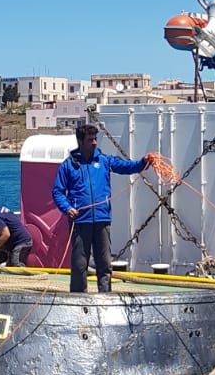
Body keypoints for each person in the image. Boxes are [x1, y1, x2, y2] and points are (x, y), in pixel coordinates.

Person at [52, 122, 155, 293]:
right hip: (80, 221)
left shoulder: (104, 160)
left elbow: (127, 167)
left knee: (104, 262)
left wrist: (144, 162)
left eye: (95, 139)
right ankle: (78, 296)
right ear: (80, 141)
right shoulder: (68, 165)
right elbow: (58, 192)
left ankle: (105, 294)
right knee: (80, 263)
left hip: (102, 219)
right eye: (90, 140)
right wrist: (67, 208)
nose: (94, 143)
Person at [0, 198, 34, 267]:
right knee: (9, 266)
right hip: (17, 242)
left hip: (22, 242)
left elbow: (6, 234)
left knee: (16, 265)